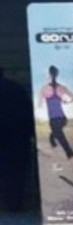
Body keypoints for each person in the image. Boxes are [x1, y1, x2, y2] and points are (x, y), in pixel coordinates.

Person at [0, 68, 35, 211]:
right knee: (16, 174)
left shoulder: (16, 90)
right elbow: (28, 113)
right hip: (16, 138)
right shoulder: (16, 90)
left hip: (13, 136)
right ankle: (14, 205)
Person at [37, 65, 73, 161]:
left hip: (53, 119)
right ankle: (53, 142)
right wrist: (66, 102)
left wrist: (44, 100)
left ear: (49, 75)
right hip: (63, 119)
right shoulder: (62, 87)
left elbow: (39, 104)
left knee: (60, 136)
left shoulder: (44, 88)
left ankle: (70, 154)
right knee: (56, 132)